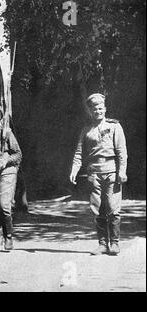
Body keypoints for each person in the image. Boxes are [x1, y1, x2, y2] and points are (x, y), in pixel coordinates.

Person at [69, 93, 127, 256]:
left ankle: (114, 244)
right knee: (97, 209)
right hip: (94, 173)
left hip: (111, 172)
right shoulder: (86, 130)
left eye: (100, 108)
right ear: (90, 111)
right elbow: (79, 153)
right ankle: (102, 244)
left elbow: (122, 152)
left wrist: (122, 171)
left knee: (113, 208)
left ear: (105, 109)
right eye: (95, 109)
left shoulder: (115, 127)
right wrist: (74, 170)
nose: (98, 111)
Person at [0, 104, 22, 253]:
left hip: (7, 171)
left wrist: (5, 161)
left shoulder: (6, 133)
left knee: (3, 205)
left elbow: (18, 154)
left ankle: (8, 235)